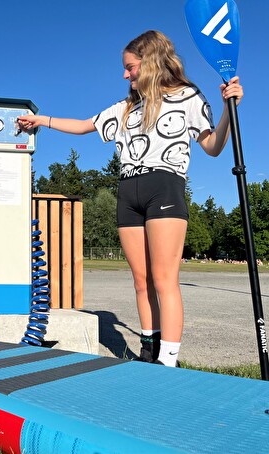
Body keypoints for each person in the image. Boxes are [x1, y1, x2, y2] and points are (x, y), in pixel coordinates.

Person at [18, 30, 243, 367]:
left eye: (130, 67)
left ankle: (168, 362)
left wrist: (228, 110)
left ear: (150, 63)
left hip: (164, 187)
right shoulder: (127, 107)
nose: (125, 74)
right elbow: (83, 125)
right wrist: (41, 120)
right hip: (128, 192)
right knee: (141, 281)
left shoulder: (188, 96)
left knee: (164, 279)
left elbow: (212, 147)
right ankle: (148, 351)